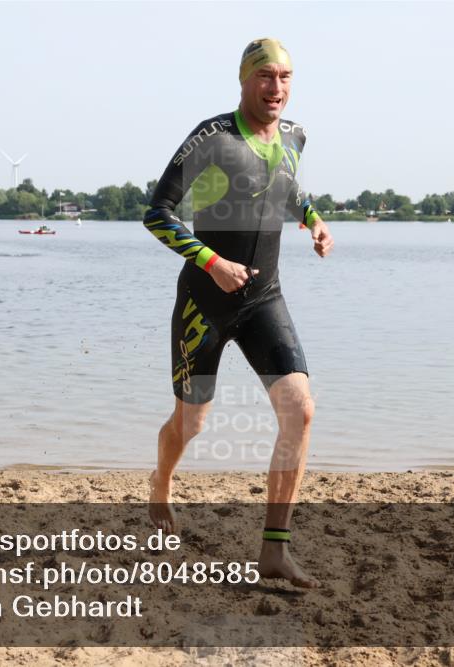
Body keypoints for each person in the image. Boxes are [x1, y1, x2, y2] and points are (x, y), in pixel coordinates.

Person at [143, 38, 333, 588]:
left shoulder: (296, 135)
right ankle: (160, 483)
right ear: (245, 80)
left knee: (300, 411)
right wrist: (211, 261)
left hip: (263, 300)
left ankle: (274, 550)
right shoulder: (212, 137)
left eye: (286, 77)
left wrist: (314, 221)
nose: (277, 88)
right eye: (266, 77)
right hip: (205, 301)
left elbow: (288, 186)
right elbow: (157, 214)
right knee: (192, 422)